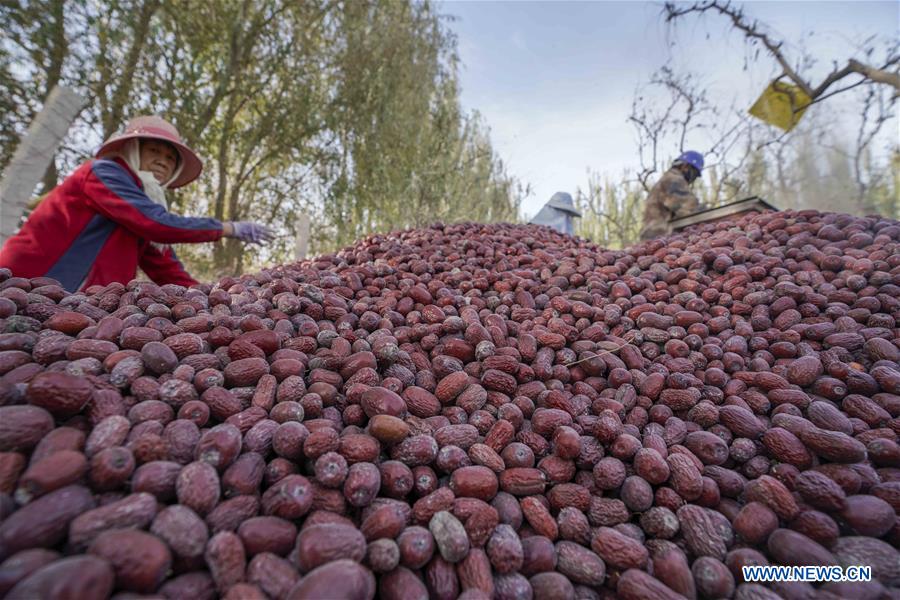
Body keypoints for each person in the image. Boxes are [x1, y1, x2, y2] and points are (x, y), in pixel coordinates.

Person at [0, 115, 274, 291]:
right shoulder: (103, 174)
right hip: (31, 286)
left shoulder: (143, 202)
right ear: (132, 150)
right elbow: (155, 223)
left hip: (86, 306)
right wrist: (228, 228)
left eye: (170, 159)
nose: (162, 162)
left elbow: (164, 266)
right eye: (154, 151)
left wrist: (209, 297)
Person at [639, 150, 703, 241]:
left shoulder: (666, 179)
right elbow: (690, 209)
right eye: (695, 174)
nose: (694, 179)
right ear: (685, 167)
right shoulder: (673, 179)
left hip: (654, 237)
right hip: (659, 237)